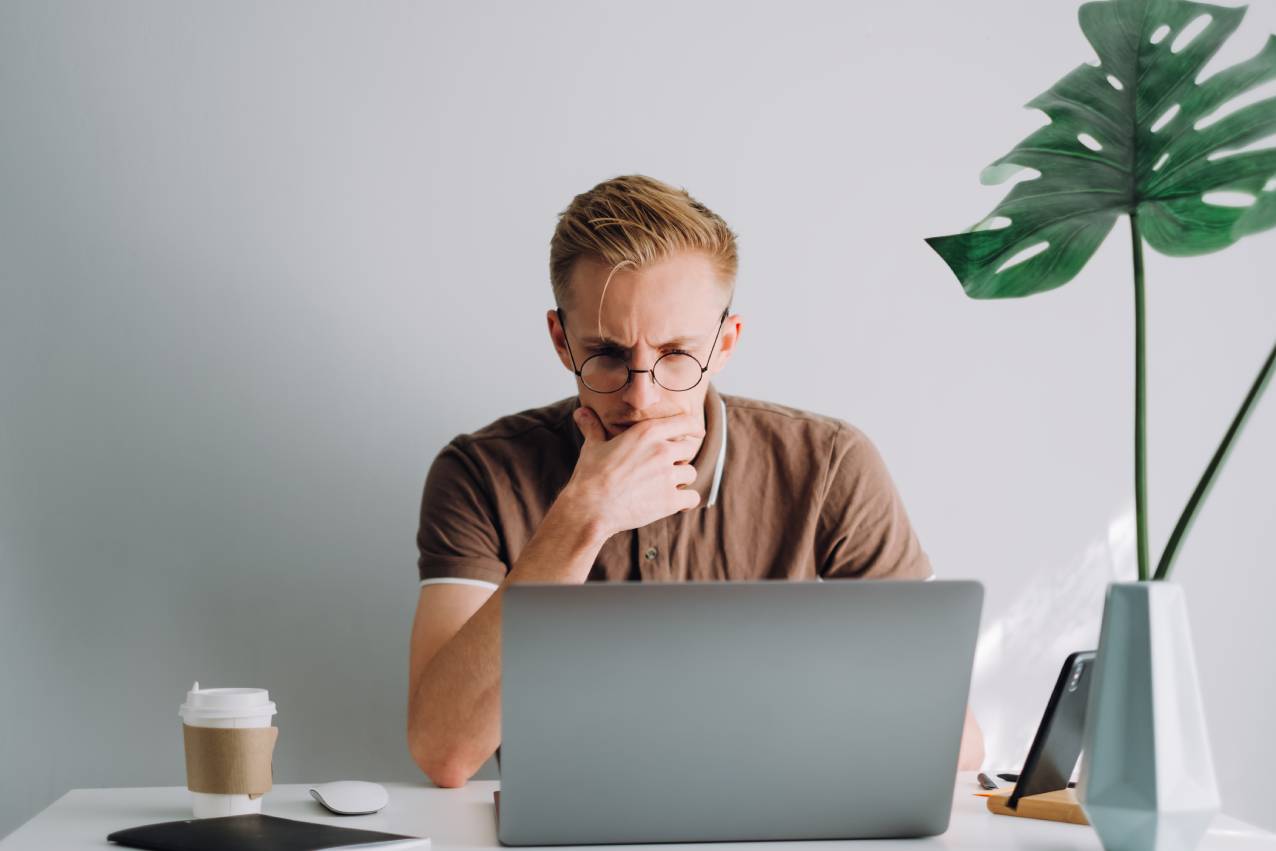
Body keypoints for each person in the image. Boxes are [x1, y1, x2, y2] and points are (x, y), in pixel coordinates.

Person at [406, 174, 984, 788]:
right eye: (606, 353)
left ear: (725, 343)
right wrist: (582, 519)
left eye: (677, 354)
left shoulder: (831, 462)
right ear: (560, 340)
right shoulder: (477, 472)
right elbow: (444, 753)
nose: (641, 396)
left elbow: (956, 740)